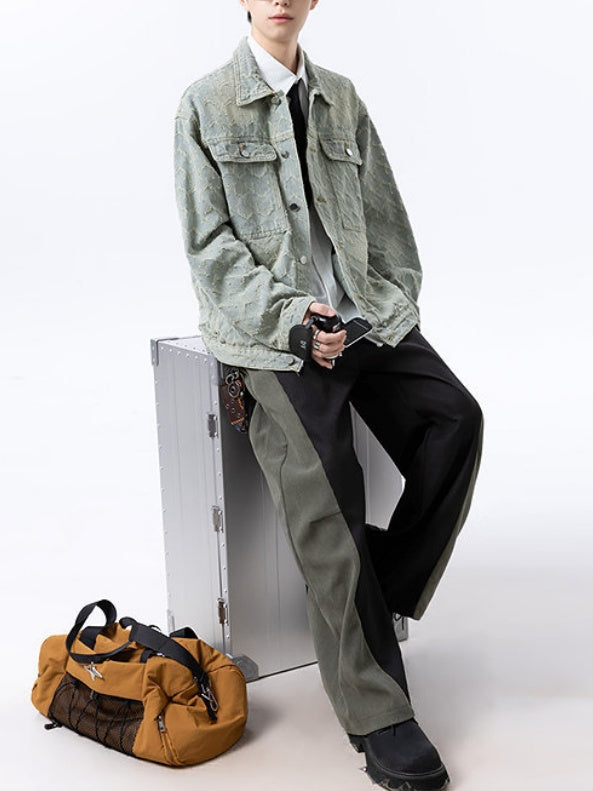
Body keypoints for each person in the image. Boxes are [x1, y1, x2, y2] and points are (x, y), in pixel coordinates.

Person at [174, 1, 484, 788]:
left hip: (361, 317)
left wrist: (390, 303)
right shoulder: (205, 104)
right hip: (272, 336)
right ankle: (378, 713)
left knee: (455, 419)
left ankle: (381, 580)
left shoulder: (340, 97)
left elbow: (387, 220)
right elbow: (210, 249)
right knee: (329, 499)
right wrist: (290, 318)